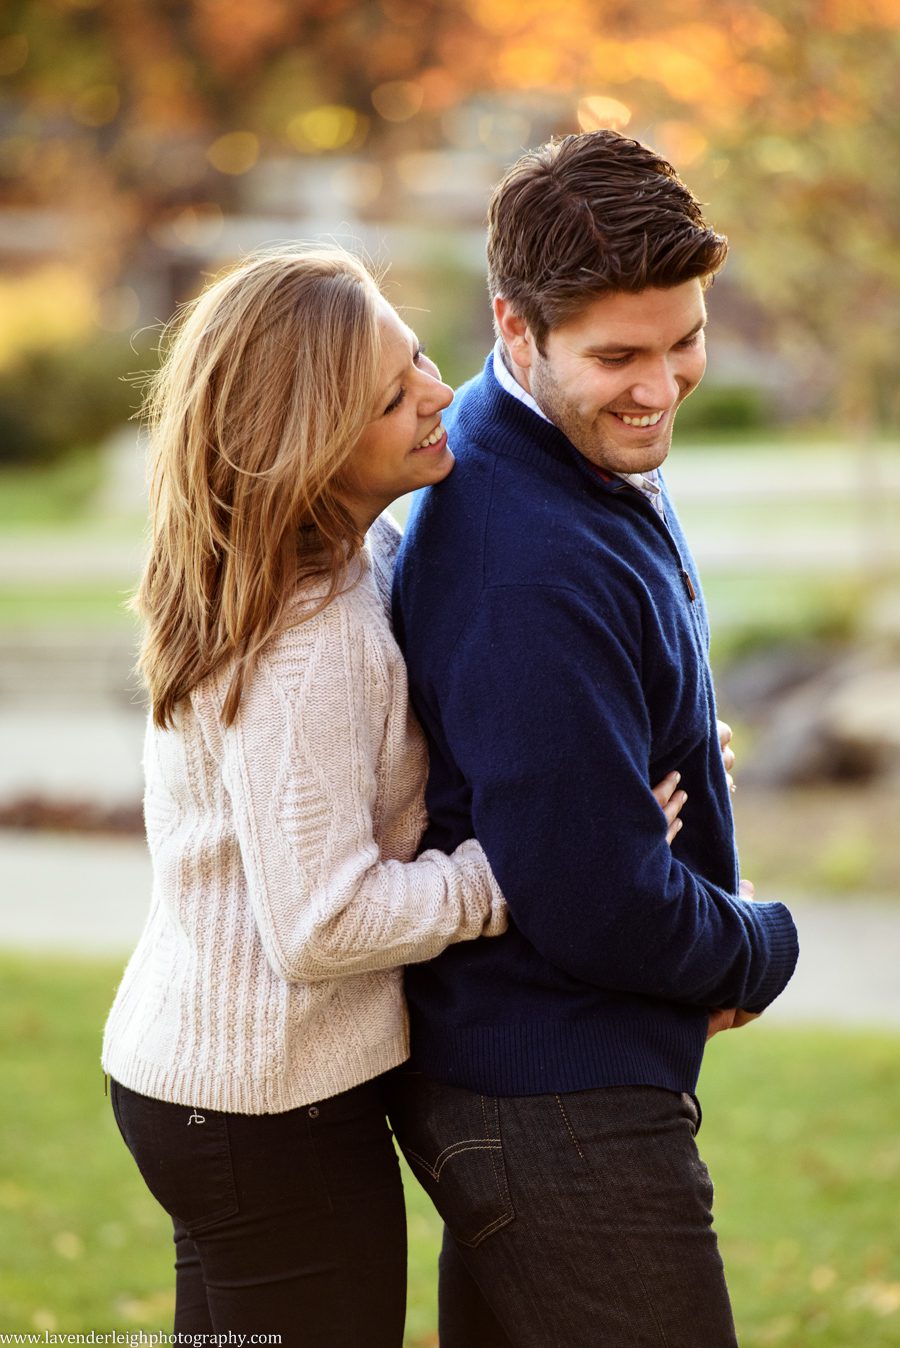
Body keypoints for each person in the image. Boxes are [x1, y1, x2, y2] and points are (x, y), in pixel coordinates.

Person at [100, 241, 690, 1343]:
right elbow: (322, 924)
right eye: (390, 398)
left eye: (416, 354)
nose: (437, 394)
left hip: (204, 1080)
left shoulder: (334, 554)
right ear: (308, 445)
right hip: (263, 1108)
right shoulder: (305, 642)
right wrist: (535, 860)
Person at [389, 130, 800, 1347]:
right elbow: (590, 898)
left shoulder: (563, 451)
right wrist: (752, 948)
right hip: (554, 1096)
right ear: (515, 327)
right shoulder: (526, 552)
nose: (661, 387)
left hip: (548, 1078)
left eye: (685, 341)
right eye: (618, 355)